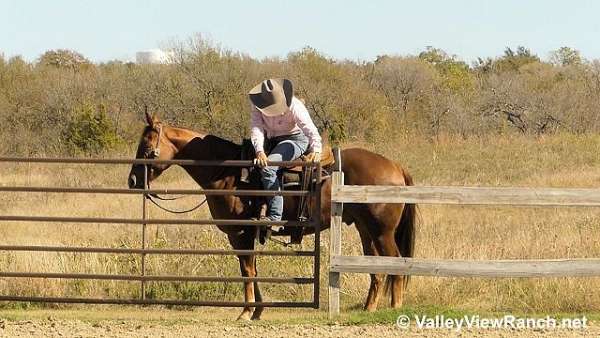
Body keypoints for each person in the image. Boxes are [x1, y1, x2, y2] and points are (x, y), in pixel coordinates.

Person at [249, 78, 321, 223]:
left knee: (268, 167)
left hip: (294, 139)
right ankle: (254, 207)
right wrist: (259, 150)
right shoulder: (257, 105)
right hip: (270, 139)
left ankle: (275, 217)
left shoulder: (295, 105)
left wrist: (316, 149)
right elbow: (256, 128)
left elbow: (309, 128)